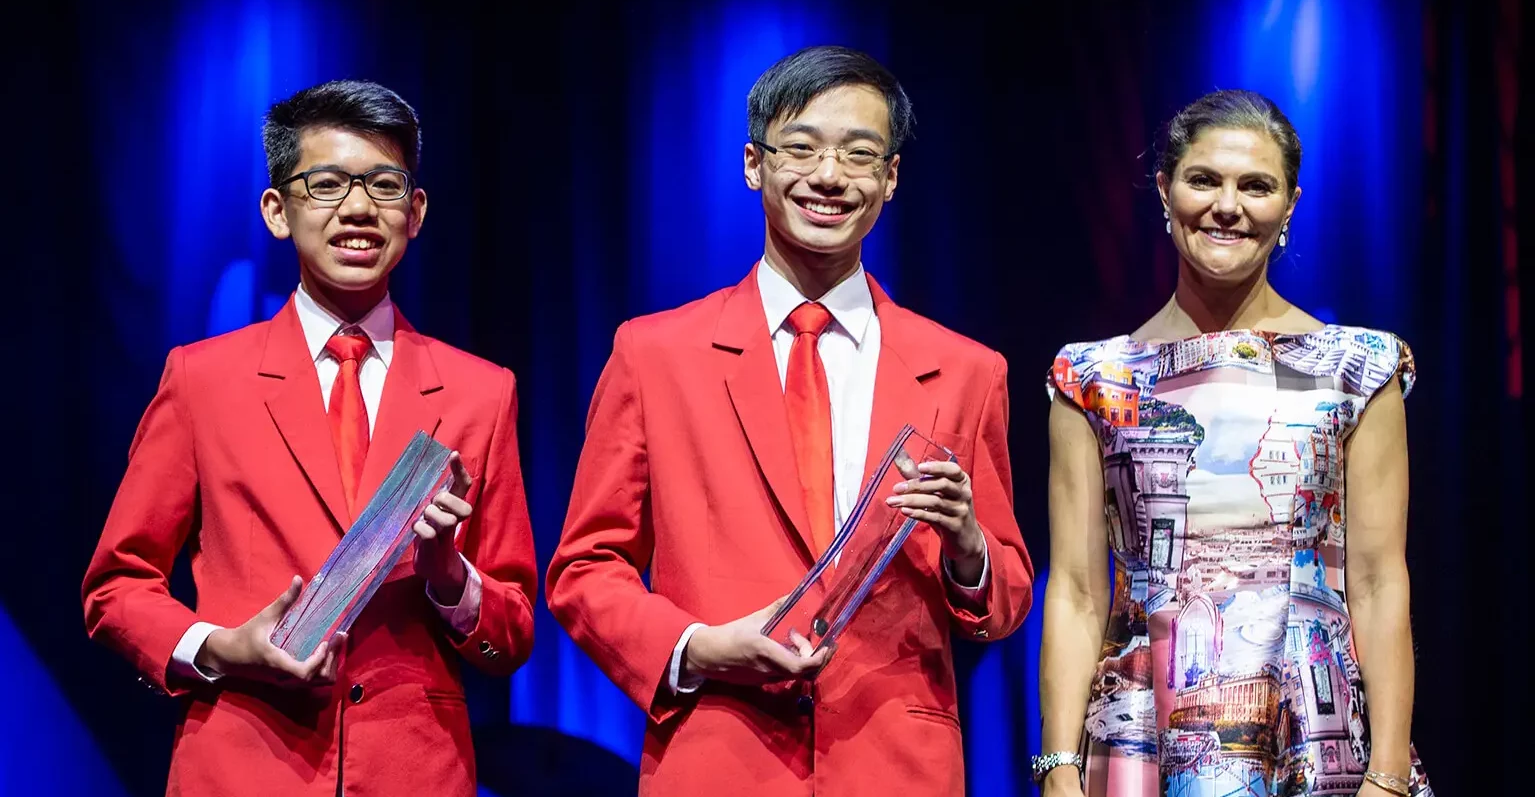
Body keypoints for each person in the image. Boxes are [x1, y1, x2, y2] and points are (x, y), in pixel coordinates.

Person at [545, 45, 1034, 795]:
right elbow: (585, 567)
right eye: (801, 148)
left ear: (891, 178)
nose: (829, 176)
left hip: (896, 765)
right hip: (716, 756)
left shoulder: (966, 370)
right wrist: (698, 645)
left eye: (859, 154)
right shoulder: (655, 354)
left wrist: (967, 547)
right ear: (753, 164)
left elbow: (1003, 599)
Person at [82, 80, 538, 797]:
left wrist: (449, 576)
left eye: (384, 185)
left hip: (415, 772)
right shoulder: (204, 380)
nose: (357, 209)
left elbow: (509, 634)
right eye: (325, 184)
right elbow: (115, 585)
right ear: (276, 210)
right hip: (241, 766)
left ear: (414, 213)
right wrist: (222, 647)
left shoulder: (481, 391)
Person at [1035, 89, 1433, 796]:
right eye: (1203, 180)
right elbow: (1071, 590)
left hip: (1314, 735)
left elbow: (1377, 582)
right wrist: (1059, 768)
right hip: (1138, 736)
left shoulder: (1356, 367)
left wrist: (1388, 773)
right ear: (1164, 191)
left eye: (1255, 186)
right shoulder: (1091, 377)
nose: (1228, 205)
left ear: (1288, 204)